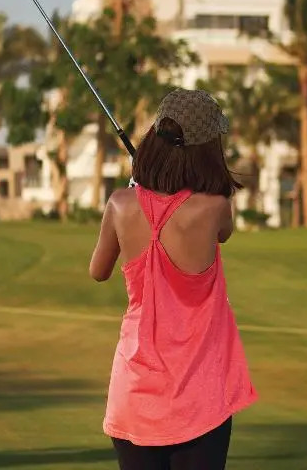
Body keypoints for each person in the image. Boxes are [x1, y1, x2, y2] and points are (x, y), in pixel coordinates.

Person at [88, 87, 257, 470]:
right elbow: (224, 233)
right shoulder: (216, 207)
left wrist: (137, 192)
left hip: (134, 394)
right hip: (201, 397)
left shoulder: (120, 203)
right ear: (207, 149)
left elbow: (98, 271)